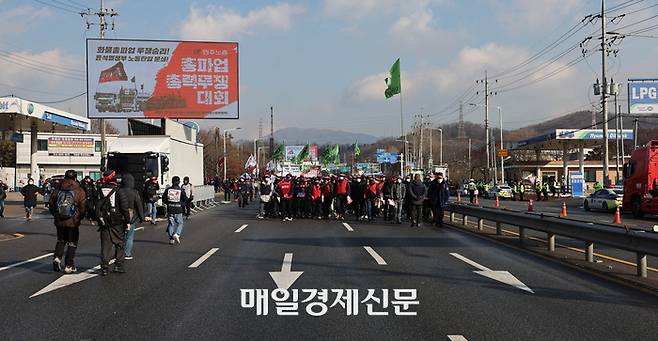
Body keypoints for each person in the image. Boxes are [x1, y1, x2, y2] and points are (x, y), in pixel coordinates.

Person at [49, 170, 87, 274]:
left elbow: (51, 204)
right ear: (75, 178)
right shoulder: (79, 190)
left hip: (59, 220)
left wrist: (56, 215)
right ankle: (69, 265)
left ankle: (57, 258)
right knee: (72, 242)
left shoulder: (58, 188)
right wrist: (80, 217)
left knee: (61, 240)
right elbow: (82, 206)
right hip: (73, 221)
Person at [95, 171, 131, 276]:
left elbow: (94, 205)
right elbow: (124, 207)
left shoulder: (99, 190)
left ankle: (104, 267)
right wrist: (128, 221)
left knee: (105, 245)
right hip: (117, 221)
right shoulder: (119, 191)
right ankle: (118, 265)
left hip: (104, 222)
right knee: (119, 243)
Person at [121, 174, 144, 261]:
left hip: (120, 215)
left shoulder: (119, 191)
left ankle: (118, 253)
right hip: (131, 216)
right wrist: (141, 217)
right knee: (129, 237)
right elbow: (139, 205)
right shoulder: (134, 192)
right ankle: (127, 254)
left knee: (120, 236)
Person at [163, 176, 188, 245]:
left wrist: (169, 203)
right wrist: (182, 204)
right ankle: (177, 234)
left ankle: (171, 239)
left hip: (170, 209)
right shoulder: (180, 190)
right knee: (180, 223)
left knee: (171, 224)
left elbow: (164, 199)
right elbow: (185, 200)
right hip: (178, 209)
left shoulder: (168, 190)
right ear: (179, 182)